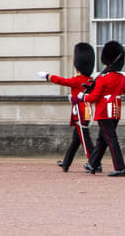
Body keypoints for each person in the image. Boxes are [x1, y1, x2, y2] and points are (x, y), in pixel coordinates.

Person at [81, 41, 125, 177]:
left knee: (111, 140)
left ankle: (120, 167)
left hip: (104, 112)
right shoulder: (121, 78)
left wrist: (83, 97)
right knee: (102, 140)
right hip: (116, 112)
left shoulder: (103, 79)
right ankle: (92, 164)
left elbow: (94, 97)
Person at [37, 43, 97, 173]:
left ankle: (94, 163)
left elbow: (63, 81)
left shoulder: (78, 80)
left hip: (80, 113)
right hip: (84, 111)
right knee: (76, 140)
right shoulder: (90, 80)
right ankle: (66, 162)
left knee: (85, 140)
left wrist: (48, 76)